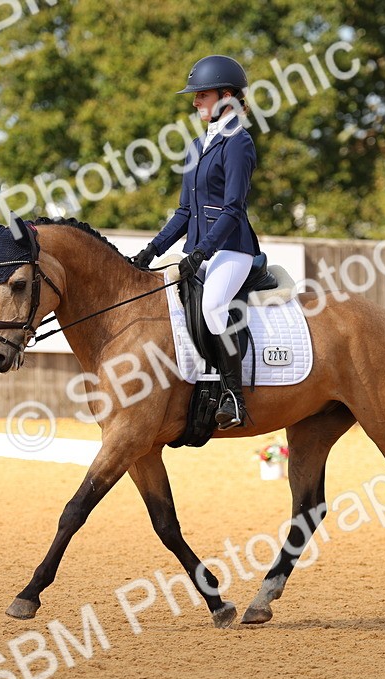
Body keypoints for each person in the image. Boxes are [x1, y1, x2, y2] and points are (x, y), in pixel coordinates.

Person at [131, 54, 260, 430]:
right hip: (200, 251)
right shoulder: (195, 146)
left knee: (214, 307)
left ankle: (233, 396)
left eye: (201, 94)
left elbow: (233, 208)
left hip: (233, 250)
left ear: (226, 96)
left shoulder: (240, 143)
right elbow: (185, 213)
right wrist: (150, 251)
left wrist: (202, 251)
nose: (194, 101)